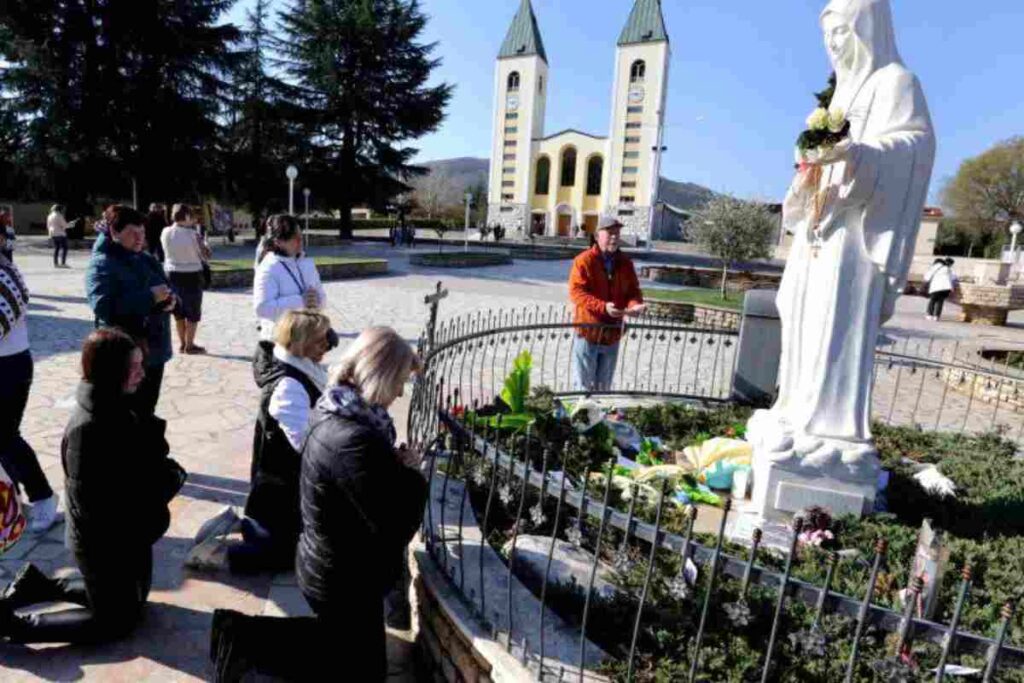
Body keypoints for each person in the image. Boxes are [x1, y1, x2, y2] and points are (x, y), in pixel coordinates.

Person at [747, 0, 935, 455]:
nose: (833, 43)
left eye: (842, 32)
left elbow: (914, 146)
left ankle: (828, 428)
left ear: (868, 30)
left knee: (833, 327)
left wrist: (860, 158)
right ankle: (793, 407)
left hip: (853, 241)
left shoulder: (897, 83)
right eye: (828, 34)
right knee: (800, 316)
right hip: (819, 230)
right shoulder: (841, 94)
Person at [209, 327, 425, 682]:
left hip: (328, 562)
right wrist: (413, 476)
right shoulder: (355, 438)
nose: (400, 392)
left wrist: (391, 468)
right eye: (399, 382)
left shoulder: (336, 408)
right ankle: (241, 635)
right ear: (381, 376)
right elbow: (394, 522)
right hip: (343, 577)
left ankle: (240, 634)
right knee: (355, 667)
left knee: (345, 653)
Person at [0, 328, 186, 645]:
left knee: (134, 606)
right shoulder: (90, 428)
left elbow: (145, 460)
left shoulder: (119, 404)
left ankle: (39, 586)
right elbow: (94, 506)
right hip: (102, 541)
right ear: (113, 371)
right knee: (115, 624)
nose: (143, 373)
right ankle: (16, 626)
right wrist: (157, 487)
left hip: (127, 531)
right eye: (135, 367)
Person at [228, 310, 334, 574]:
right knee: (286, 558)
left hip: (283, 482)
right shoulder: (289, 384)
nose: (327, 345)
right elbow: (301, 441)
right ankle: (226, 552)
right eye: (320, 340)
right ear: (300, 343)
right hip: (279, 484)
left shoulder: (303, 369)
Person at [86, 204, 177, 417]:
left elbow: (165, 287)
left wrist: (171, 301)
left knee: (146, 410)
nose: (139, 239)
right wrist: (152, 297)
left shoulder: (145, 258)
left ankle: (147, 450)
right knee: (123, 414)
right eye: (132, 233)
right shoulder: (102, 263)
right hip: (123, 354)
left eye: (142, 233)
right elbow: (104, 306)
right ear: (114, 232)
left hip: (154, 350)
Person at [0, 233, 59, 533]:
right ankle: (12, 500)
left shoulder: (4, 273)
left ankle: (44, 497)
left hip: (9, 367)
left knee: (5, 436)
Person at [568, 215, 646, 393]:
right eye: (610, 233)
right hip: (588, 331)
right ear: (597, 236)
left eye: (617, 233)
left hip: (612, 333)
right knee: (583, 387)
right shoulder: (583, 261)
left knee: (604, 387)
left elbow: (633, 291)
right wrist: (602, 307)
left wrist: (635, 305)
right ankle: (581, 418)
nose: (614, 237)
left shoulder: (625, 263)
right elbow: (577, 293)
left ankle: (601, 417)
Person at [253, 214, 325, 375]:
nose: (300, 241)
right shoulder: (269, 267)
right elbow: (261, 308)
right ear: (278, 242)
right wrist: (300, 301)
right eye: (294, 238)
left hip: (306, 341)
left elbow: (321, 298)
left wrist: (317, 301)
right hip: (280, 345)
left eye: (301, 236)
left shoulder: (305, 262)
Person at [161, 203, 209, 354]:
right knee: (193, 312)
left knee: (178, 311)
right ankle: (190, 345)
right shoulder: (192, 234)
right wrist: (203, 241)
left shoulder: (165, 231)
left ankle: (182, 343)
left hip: (171, 273)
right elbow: (206, 255)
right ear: (187, 216)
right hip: (192, 274)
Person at [47, 204, 70, 268]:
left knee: (56, 248)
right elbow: (64, 225)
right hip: (60, 234)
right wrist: (70, 225)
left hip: (53, 233)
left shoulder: (50, 216)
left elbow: (48, 226)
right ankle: (63, 263)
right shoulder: (59, 215)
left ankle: (56, 263)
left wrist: (49, 234)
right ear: (59, 209)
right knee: (65, 248)